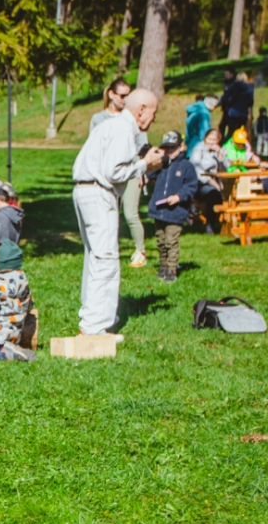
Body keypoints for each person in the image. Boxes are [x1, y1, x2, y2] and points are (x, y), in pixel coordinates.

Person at [72, 88, 166, 337]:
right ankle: (95, 327)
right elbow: (114, 172)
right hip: (99, 192)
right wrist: (146, 164)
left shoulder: (108, 125)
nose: (154, 119)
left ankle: (90, 320)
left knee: (94, 258)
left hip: (84, 190)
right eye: (153, 112)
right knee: (106, 260)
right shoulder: (124, 128)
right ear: (141, 109)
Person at [90, 79, 148, 267]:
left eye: (127, 96)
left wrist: (141, 169)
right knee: (108, 214)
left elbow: (142, 148)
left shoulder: (131, 119)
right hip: (107, 173)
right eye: (122, 95)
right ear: (111, 95)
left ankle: (140, 250)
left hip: (131, 169)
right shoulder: (99, 119)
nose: (125, 100)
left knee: (130, 212)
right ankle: (108, 250)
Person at [148, 132, 198, 283]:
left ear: (181, 147)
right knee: (161, 241)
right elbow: (150, 174)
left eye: (173, 148)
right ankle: (163, 265)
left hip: (175, 212)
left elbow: (191, 186)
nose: (169, 151)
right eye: (166, 148)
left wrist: (179, 196)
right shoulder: (162, 164)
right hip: (159, 210)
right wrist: (154, 156)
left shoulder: (186, 166)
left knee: (171, 241)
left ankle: (172, 269)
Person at [189, 129, 227, 233]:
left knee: (228, 193)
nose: (211, 142)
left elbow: (227, 168)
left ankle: (222, 223)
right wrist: (212, 182)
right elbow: (196, 170)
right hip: (200, 183)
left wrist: (220, 156)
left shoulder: (220, 150)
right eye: (209, 139)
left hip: (218, 182)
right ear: (205, 138)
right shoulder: (198, 149)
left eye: (214, 140)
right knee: (213, 193)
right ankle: (209, 225)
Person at [218, 70, 254, 141]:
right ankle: (241, 143)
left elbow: (225, 98)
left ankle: (228, 144)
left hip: (232, 113)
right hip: (243, 113)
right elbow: (250, 102)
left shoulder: (233, 86)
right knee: (241, 131)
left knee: (231, 131)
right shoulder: (249, 88)